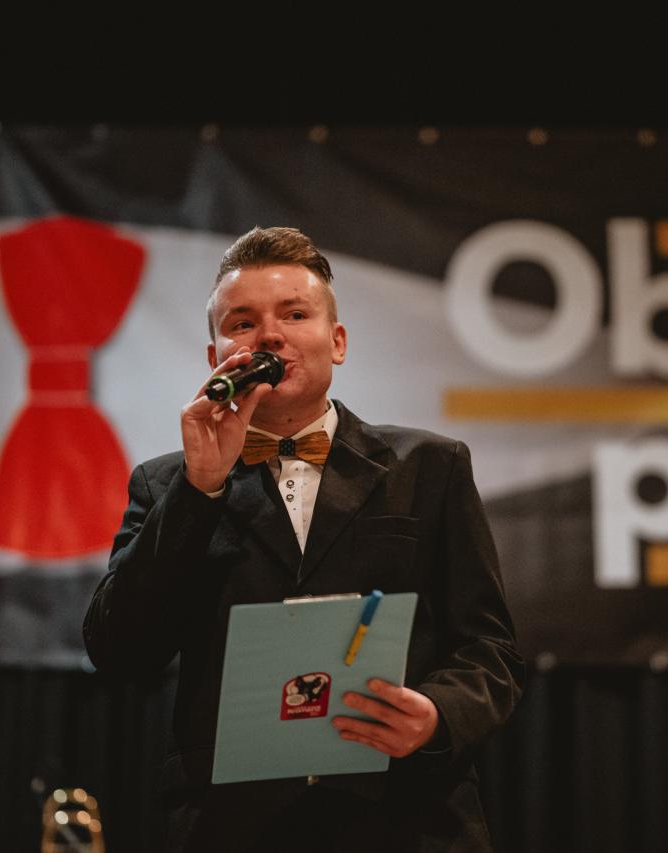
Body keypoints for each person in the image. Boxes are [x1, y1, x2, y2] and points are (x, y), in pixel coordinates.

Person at [83, 226, 525, 852]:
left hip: (406, 818)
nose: (269, 335)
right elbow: (119, 651)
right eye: (242, 323)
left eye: (294, 314)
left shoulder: (431, 466)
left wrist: (436, 715)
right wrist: (199, 489)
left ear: (336, 341)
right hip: (232, 827)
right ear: (215, 358)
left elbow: (490, 648)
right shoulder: (167, 485)